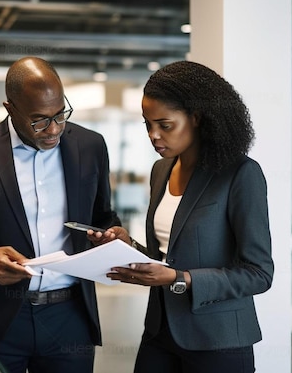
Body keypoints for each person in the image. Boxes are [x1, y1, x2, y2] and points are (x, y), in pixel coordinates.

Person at [0, 56, 121, 373]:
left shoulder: (91, 145)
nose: (54, 129)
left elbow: (104, 217)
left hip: (70, 318)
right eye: (40, 120)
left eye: (61, 115)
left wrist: (114, 235)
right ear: (10, 108)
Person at [89, 60, 274, 372]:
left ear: (197, 118)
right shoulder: (161, 171)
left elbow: (259, 273)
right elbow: (168, 255)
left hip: (218, 341)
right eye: (147, 124)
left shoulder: (240, 174)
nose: (154, 135)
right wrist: (128, 245)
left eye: (165, 125)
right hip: (160, 331)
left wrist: (182, 280)